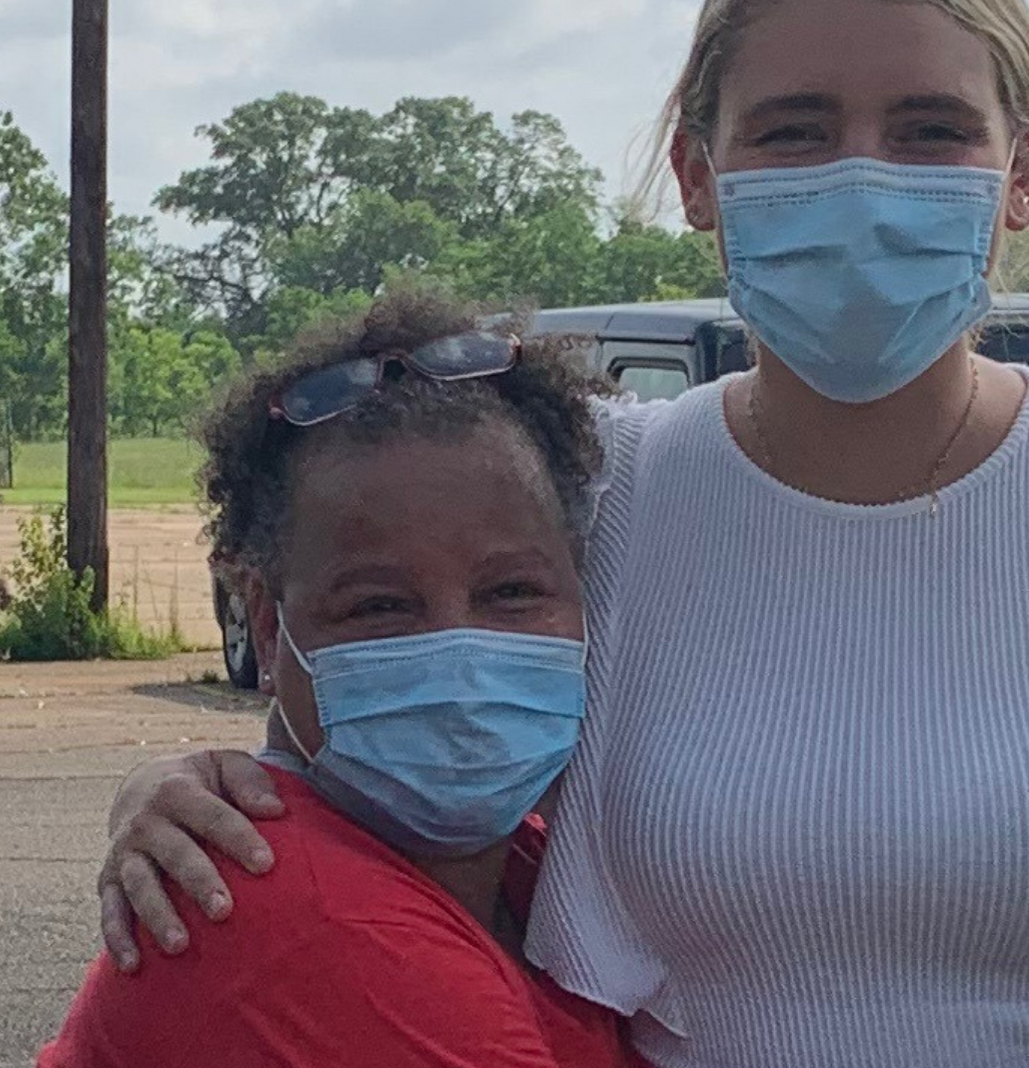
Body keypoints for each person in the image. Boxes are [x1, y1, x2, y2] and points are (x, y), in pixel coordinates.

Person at [91, 0, 1029, 1068]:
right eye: (794, 132)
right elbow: (399, 765)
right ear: (699, 177)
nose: (864, 178)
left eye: (930, 131)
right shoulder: (594, 506)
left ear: (1021, 176)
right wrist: (194, 787)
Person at [42, 292, 639, 1068]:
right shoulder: (302, 914)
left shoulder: (531, 864)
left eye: (513, 592)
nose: (459, 650)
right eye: (380, 605)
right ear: (266, 622)